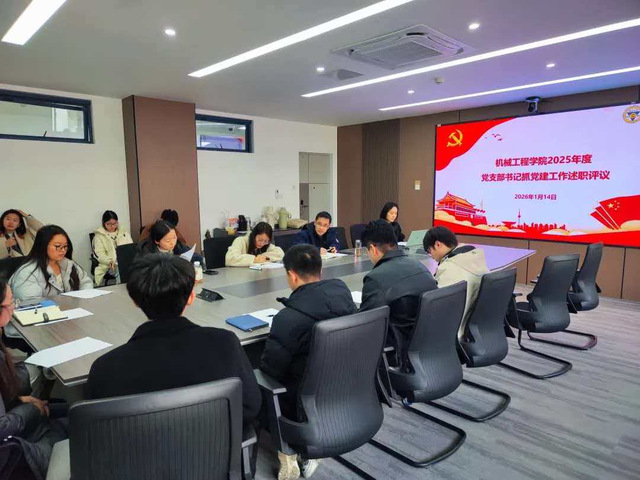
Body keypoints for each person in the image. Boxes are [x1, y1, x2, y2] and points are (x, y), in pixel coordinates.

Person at [84, 254, 261, 426]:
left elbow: (96, 430)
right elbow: (250, 406)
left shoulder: (105, 367)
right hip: (215, 443)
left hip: (139, 446)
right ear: (191, 297)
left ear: (135, 301)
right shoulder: (224, 343)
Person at [259, 244, 356, 480]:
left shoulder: (288, 318)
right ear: (320, 270)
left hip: (302, 399)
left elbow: (271, 369)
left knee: (258, 380)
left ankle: (288, 450)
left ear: (292, 275)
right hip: (347, 384)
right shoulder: (343, 293)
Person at [0, 281, 67, 480]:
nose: (14, 308)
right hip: (10, 452)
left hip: (13, 418)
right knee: (75, 425)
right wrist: (32, 410)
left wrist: (20, 401)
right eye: (11, 303)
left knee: (68, 409)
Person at [359, 221, 437, 370]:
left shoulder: (376, 278)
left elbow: (366, 326)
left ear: (373, 249)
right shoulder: (420, 267)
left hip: (399, 356)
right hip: (429, 347)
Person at [423, 226, 489, 338]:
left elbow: (438, 308)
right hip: (477, 327)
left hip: (454, 331)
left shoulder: (449, 269)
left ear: (438, 245)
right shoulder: (474, 257)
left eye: (429, 251)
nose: (431, 256)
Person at [9, 225, 93, 302]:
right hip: (46, 312)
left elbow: (86, 283)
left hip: (72, 310)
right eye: (58, 246)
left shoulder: (68, 264)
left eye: (65, 246)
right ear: (43, 245)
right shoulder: (27, 272)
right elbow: (31, 303)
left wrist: (82, 302)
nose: (63, 250)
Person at [92, 210, 133, 286]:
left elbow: (130, 248)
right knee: (120, 270)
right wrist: (109, 261)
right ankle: (120, 289)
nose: (112, 226)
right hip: (109, 265)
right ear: (104, 223)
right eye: (109, 224)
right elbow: (99, 254)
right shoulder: (99, 237)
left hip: (125, 262)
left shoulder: (124, 233)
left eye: (114, 223)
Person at [137, 220, 203, 264]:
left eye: (174, 238)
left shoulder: (178, 245)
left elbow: (196, 256)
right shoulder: (146, 253)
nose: (172, 242)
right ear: (157, 241)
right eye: (168, 240)